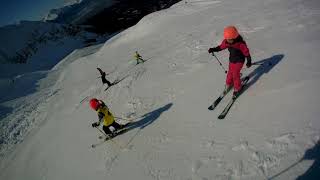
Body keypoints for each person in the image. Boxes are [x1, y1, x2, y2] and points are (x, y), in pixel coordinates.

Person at [208, 26, 252, 98]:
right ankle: (228, 84)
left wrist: (249, 61)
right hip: (232, 60)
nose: (228, 41)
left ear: (235, 37)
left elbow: (246, 52)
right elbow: (220, 47)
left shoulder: (240, 44)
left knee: (235, 74)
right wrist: (213, 49)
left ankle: (238, 88)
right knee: (230, 73)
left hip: (239, 61)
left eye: (230, 39)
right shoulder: (226, 42)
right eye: (227, 39)